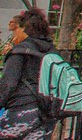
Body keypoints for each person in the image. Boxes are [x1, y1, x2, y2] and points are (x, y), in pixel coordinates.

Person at [0, 7, 57, 140]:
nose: (14, 36)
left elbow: (7, 85)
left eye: (16, 31)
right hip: (47, 113)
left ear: (24, 29)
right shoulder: (52, 51)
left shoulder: (19, 51)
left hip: (20, 110)